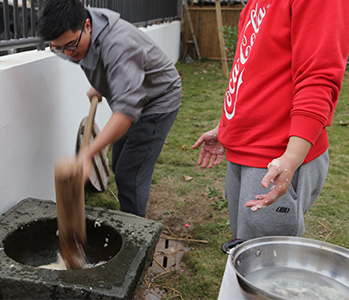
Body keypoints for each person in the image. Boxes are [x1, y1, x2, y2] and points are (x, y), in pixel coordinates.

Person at [193, 0, 349, 240]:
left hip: (276, 156)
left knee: (269, 262)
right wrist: (225, 127)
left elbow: (318, 77)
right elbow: (250, 70)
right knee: (244, 247)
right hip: (243, 148)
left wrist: (291, 158)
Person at [38, 0, 182, 217]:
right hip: (133, 94)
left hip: (157, 99)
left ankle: (136, 234)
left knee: (129, 174)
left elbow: (126, 111)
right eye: (58, 48)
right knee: (119, 161)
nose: (67, 53)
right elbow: (101, 60)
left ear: (87, 25)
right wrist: (99, 84)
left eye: (71, 45)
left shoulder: (119, 43)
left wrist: (88, 153)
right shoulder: (79, 29)